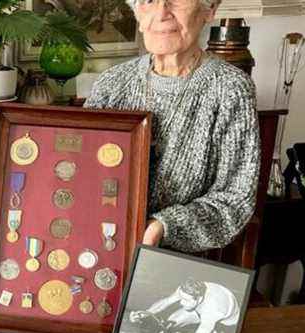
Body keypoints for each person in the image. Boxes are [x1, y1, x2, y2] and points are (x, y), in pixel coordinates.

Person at [84, 0, 260, 253]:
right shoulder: (111, 84)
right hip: (100, 245)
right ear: (137, 14)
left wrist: (163, 226)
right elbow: (84, 172)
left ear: (209, 10)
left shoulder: (230, 89)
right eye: (148, 1)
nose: (161, 13)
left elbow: (235, 199)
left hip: (176, 262)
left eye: (176, 1)